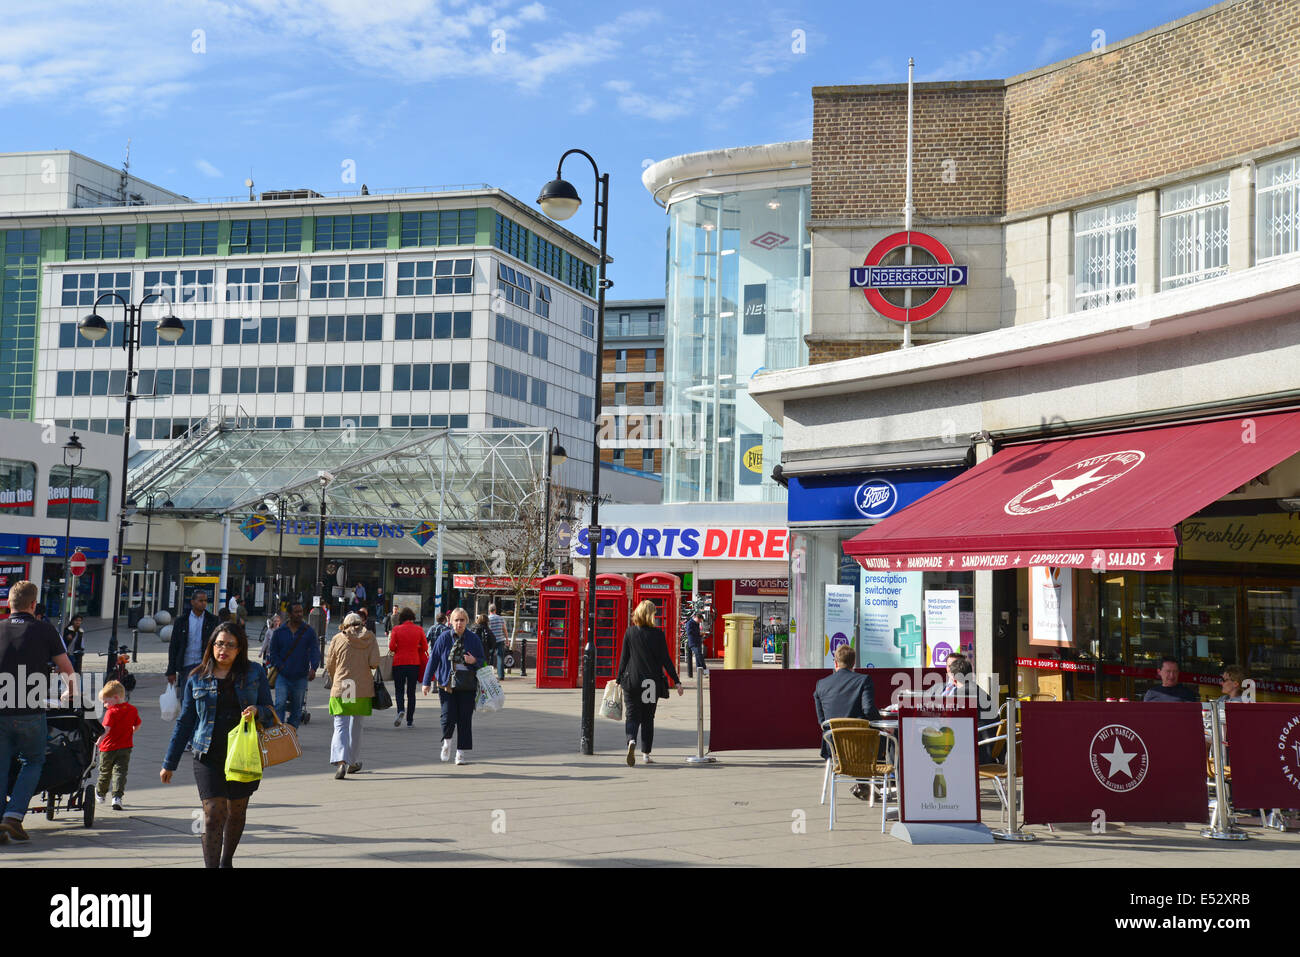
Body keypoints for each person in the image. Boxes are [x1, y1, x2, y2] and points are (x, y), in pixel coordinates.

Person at [161, 621, 274, 867]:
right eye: (219, 643)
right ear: (211, 645)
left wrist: (258, 711)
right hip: (208, 753)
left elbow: (271, 711)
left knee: (236, 813)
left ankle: (227, 861)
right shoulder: (196, 677)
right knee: (212, 816)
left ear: (240, 648)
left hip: (244, 754)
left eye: (230, 645)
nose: (223, 649)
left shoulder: (254, 673)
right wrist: (169, 762)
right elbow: (185, 722)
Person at [0, 580, 76, 842]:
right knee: (33, 761)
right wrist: (70, 692)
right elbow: (67, 669)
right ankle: (13, 816)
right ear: (33, 604)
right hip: (29, 710)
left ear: (9, 603)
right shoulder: (45, 630)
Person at [616, 599, 683, 766]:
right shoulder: (658, 635)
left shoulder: (630, 632)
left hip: (631, 681)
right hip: (650, 684)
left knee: (631, 716)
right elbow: (666, 660)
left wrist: (618, 679)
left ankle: (631, 740)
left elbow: (624, 658)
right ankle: (646, 754)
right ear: (651, 615)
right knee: (647, 718)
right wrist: (677, 681)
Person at [422, 607, 484, 766]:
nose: (459, 623)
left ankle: (461, 753)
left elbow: (483, 661)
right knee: (448, 717)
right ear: (451, 622)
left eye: (462, 620)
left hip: (467, 685)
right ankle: (447, 742)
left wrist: (474, 661)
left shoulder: (474, 639)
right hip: (446, 684)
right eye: (456, 620)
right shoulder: (444, 638)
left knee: (464, 719)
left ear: (467, 622)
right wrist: (426, 681)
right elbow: (433, 659)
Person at [324, 612, 380, 779]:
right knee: (356, 726)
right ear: (361, 623)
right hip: (361, 688)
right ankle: (353, 761)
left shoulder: (337, 639)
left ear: (345, 625)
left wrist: (336, 679)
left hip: (344, 686)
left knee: (340, 725)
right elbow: (374, 663)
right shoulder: (370, 638)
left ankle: (341, 761)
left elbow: (330, 664)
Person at [266, 602, 319, 728]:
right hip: (282, 675)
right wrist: (280, 666)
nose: (300, 614)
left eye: (301, 611)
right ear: (289, 614)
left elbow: (315, 650)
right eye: (296, 612)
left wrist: (314, 668)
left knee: (297, 707)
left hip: (300, 675)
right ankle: (278, 732)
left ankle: (292, 732)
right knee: (280, 703)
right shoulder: (280, 632)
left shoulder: (308, 631)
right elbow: (273, 653)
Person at [96, 679, 140, 811]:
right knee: (120, 773)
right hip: (126, 747)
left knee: (105, 771)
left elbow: (106, 730)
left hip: (108, 748)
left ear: (115, 697)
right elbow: (137, 724)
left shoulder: (111, 712)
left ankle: (100, 793)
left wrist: (98, 741)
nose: (104, 705)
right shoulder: (132, 709)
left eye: (105, 701)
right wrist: (131, 732)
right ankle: (117, 797)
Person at [166, 590, 220, 698]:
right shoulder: (181, 621)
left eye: (205, 601)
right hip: (186, 665)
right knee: (186, 697)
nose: (203, 603)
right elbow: (174, 646)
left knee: (204, 697)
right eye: (200, 600)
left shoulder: (212, 620)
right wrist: (171, 670)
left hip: (205, 666)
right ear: (192, 602)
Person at [387, 607, 428, 728]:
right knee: (411, 692)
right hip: (414, 663)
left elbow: (391, 647)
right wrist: (417, 647)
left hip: (399, 663)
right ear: (413, 618)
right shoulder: (419, 629)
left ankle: (400, 710)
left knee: (399, 690)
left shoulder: (396, 629)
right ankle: (410, 720)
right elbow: (425, 648)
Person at [685, 611, 707, 677]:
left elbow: (696, 632)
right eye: (700, 620)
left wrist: (701, 635)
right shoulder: (690, 623)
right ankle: (705, 671)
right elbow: (689, 632)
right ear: (697, 618)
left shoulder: (696, 623)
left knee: (698, 657)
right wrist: (699, 633)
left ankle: (699, 672)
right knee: (700, 656)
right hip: (693, 642)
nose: (700, 622)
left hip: (698, 642)